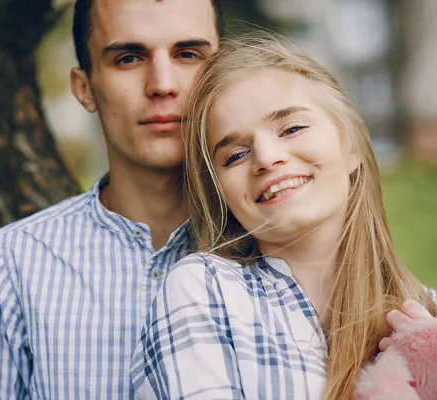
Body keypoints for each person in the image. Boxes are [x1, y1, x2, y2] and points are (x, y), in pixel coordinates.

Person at [130, 33, 437, 400]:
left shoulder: (427, 319)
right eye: (235, 155)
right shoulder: (205, 293)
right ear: (222, 194)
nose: (266, 157)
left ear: (352, 146)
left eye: (291, 128)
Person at [0, 0, 223, 399]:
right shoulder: (16, 262)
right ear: (85, 88)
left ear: (223, 73)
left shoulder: (281, 245)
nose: (163, 83)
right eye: (128, 58)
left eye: (188, 54)